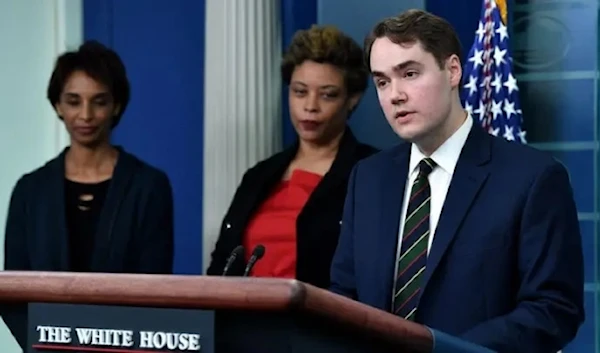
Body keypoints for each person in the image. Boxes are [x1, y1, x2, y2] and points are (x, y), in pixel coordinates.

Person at [329, 9, 584, 353]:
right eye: (383, 81)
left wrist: (444, 350)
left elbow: (554, 309)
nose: (395, 95)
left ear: (452, 71)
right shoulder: (368, 179)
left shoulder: (532, 178)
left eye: (410, 73)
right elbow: (343, 298)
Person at [2, 40, 174, 349]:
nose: (85, 114)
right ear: (57, 105)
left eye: (99, 101)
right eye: (73, 101)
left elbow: (154, 289)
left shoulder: (149, 187)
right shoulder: (30, 191)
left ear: (116, 106)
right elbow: (15, 293)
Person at [206, 25, 377, 288]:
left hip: (320, 326)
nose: (310, 106)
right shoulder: (259, 175)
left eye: (327, 94)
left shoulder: (371, 172)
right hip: (243, 323)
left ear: (352, 99)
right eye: (300, 91)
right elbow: (220, 267)